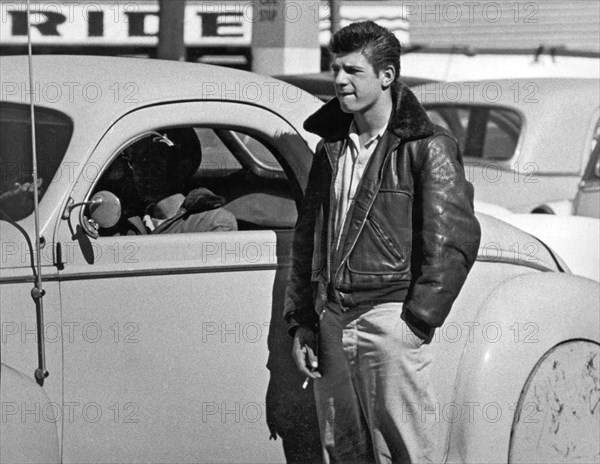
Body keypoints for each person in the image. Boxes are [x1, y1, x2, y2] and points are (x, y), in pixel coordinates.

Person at [284, 21, 481, 463]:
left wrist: (415, 322)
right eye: (335, 69)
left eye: (353, 70)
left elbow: (455, 238)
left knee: (406, 452)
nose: (339, 80)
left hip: (390, 320)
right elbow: (307, 237)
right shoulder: (330, 149)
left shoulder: (426, 146)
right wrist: (303, 321)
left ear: (386, 76)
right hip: (332, 320)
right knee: (344, 450)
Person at [100, 128, 237, 235]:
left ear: (183, 165)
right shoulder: (128, 226)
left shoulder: (211, 222)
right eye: (134, 158)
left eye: (152, 156)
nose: (138, 167)